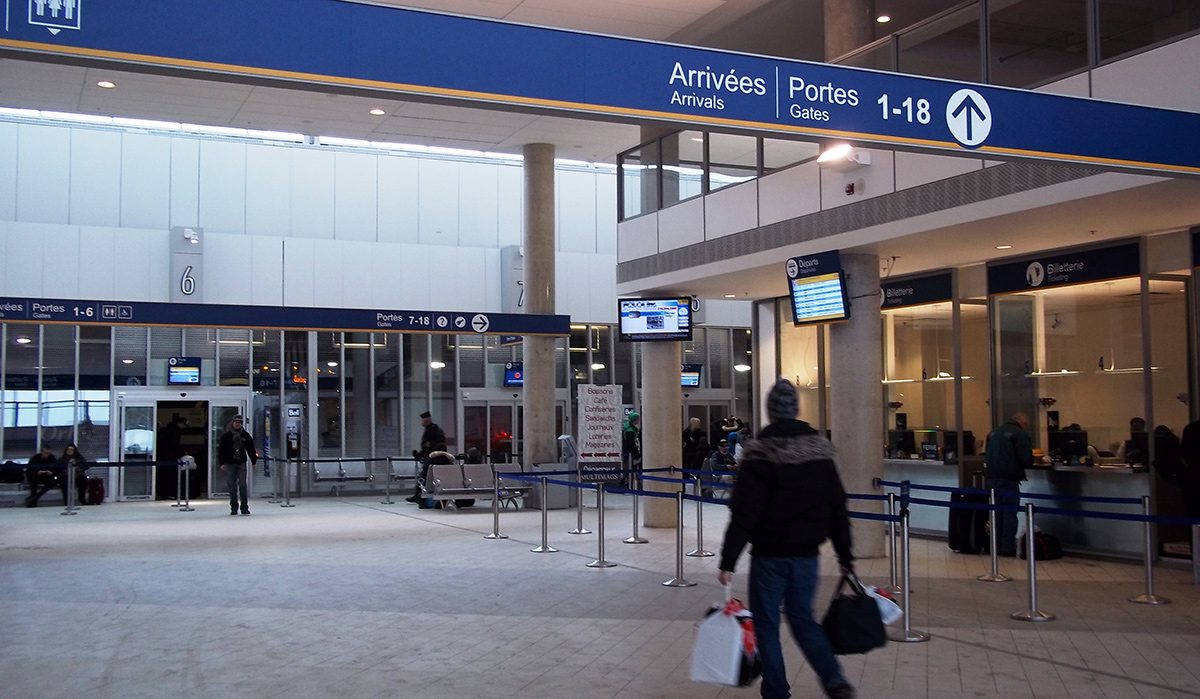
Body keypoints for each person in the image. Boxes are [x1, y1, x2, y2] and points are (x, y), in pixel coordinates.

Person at [717, 379, 856, 699]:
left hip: (768, 556)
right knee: (803, 620)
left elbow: (744, 513)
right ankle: (834, 679)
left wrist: (728, 560)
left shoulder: (759, 454)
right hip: (807, 556)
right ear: (796, 410)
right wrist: (845, 556)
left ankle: (777, 691)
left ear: (771, 412)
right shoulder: (820, 453)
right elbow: (837, 507)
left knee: (766, 625)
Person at [984, 412, 1033, 557]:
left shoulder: (993, 433)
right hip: (1009, 478)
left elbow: (987, 453)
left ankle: (995, 545)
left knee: (996, 513)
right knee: (1010, 513)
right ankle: (1007, 547)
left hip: (992, 477)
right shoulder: (1019, 434)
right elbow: (1026, 459)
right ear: (1022, 423)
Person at [218, 414, 258, 515]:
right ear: (233, 423)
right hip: (230, 463)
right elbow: (221, 450)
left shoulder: (245, 435)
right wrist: (221, 463)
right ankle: (234, 507)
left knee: (243, 485)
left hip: (241, 463)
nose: (237, 424)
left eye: (239, 423)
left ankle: (244, 507)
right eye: (236, 422)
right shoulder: (226, 436)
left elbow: (250, 448)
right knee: (232, 486)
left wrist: (254, 461)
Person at [407, 411, 446, 503]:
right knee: (424, 477)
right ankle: (419, 495)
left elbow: (440, 441)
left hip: (433, 458)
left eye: (423, 420)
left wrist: (431, 444)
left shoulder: (434, 430)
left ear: (427, 420)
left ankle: (419, 496)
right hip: (429, 457)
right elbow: (425, 447)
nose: (421, 422)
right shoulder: (429, 430)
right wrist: (419, 454)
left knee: (424, 477)